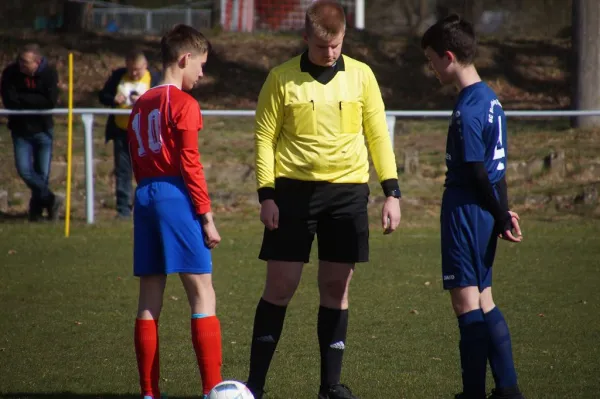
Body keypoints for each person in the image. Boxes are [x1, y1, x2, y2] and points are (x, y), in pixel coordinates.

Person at [247, 1, 402, 398]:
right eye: (321, 47)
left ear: (343, 37)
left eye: (335, 45)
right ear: (304, 38)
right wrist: (267, 195)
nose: (330, 54)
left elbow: (378, 137)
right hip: (292, 195)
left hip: (348, 194)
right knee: (280, 287)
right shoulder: (280, 79)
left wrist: (392, 192)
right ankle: (255, 387)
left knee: (336, 288)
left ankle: (330, 387)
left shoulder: (363, 77)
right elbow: (264, 140)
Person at [421, 15, 525, 399]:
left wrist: (500, 213)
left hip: (467, 208)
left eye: (431, 59)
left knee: (467, 304)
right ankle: (508, 390)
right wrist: (502, 212)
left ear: (448, 57)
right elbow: (499, 170)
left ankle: (473, 393)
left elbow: (478, 172)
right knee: (484, 298)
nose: (430, 67)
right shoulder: (491, 99)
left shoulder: (469, 108)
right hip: (485, 210)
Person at [127, 24, 222, 399]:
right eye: (200, 64)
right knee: (202, 290)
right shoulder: (183, 103)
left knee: (150, 295)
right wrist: (206, 217)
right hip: (174, 194)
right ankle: (213, 389)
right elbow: (190, 163)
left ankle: (149, 393)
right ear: (184, 59)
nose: (202, 73)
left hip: (145, 194)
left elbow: (134, 156)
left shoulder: (140, 102)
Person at [1, 43, 62, 221]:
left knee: (42, 174)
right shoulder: (10, 73)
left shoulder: (49, 74)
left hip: (43, 130)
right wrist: (34, 99)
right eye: (20, 61)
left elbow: (49, 102)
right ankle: (51, 199)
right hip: (21, 131)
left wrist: (23, 98)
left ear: (37, 62)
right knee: (25, 170)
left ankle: (36, 213)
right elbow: (9, 100)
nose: (22, 65)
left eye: (26, 62)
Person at [99, 49, 161, 219]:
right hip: (122, 132)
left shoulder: (155, 79)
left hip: (146, 134)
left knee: (148, 172)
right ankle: (123, 210)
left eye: (138, 70)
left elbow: (164, 102)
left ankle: (147, 207)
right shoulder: (118, 77)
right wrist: (113, 99)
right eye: (131, 69)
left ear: (145, 66)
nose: (134, 73)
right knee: (123, 171)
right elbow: (102, 96)